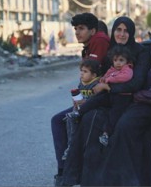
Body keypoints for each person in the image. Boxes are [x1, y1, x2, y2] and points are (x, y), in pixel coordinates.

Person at [62, 16, 151, 186]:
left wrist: (109, 88)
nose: (122, 34)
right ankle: (86, 179)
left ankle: (124, 180)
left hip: (136, 102)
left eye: (126, 30)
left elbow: (137, 83)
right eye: (118, 29)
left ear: (131, 32)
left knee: (122, 127)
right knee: (90, 119)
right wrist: (85, 96)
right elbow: (98, 79)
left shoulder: (141, 52)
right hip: (109, 101)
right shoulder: (110, 52)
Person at [51, 12, 109, 186]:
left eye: (81, 29)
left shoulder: (99, 41)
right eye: (75, 29)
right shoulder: (90, 44)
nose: (77, 32)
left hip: (100, 101)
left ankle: (65, 171)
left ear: (93, 30)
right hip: (90, 99)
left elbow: (94, 74)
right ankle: (65, 169)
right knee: (59, 120)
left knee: (60, 121)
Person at [62, 59, 100, 160]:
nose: (82, 74)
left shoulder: (96, 84)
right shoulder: (81, 84)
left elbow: (97, 100)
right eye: (81, 71)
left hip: (91, 110)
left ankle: (72, 147)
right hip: (79, 110)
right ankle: (70, 146)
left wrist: (85, 102)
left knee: (74, 123)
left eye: (85, 71)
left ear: (93, 75)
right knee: (69, 121)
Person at [98, 44, 134, 146]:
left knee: (113, 115)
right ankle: (79, 111)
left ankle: (106, 134)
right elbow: (106, 75)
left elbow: (124, 77)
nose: (118, 63)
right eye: (115, 60)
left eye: (121, 60)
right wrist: (103, 79)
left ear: (127, 61)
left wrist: (109, 79)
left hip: (123, 97)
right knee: (97, 101)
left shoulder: (127, 69)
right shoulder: (112, 69)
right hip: (111, 94)